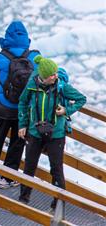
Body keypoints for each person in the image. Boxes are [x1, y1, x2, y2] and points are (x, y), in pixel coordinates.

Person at [18, 56, 86, 208]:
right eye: (52, 75)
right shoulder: (32, 84)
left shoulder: (61, 86)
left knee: (56, 168)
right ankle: (23, 199)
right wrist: (22, 124)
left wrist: (66, 110)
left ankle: (58, 204)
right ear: (43, 77)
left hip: (56, 133)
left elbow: (81, 99)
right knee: (29, 166)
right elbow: (22, 102)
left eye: (56, 73)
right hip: (35, 131)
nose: (56, 76)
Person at [0, 21, 40, 188]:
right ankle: (8, 178)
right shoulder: (34, 57)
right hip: (24, 111)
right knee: (18, 142)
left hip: (2, 108)